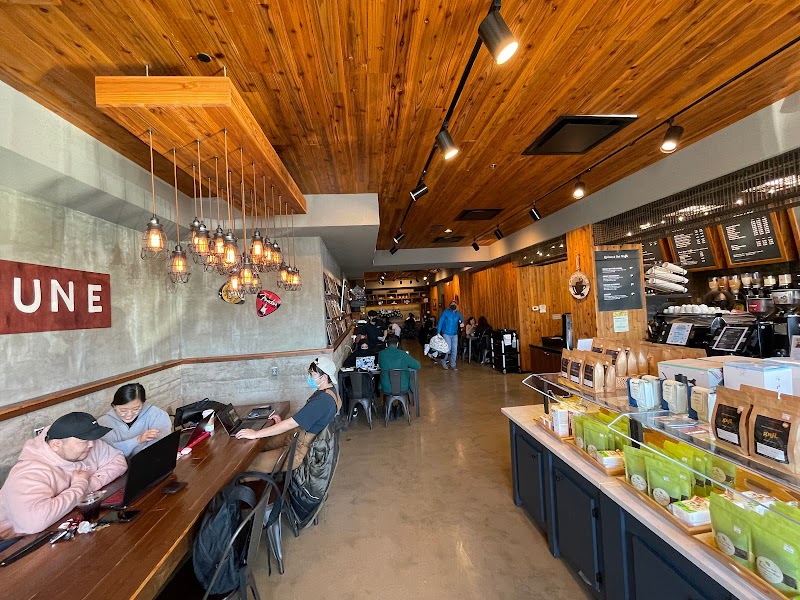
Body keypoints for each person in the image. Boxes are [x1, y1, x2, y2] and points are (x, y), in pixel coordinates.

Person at [0, 412, 127, 537]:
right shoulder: (28, 472)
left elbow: (118, 461)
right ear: (56, 445)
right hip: (21, 541)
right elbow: (33, 523)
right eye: (84, 441)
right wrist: (80, 485)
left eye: (92, 438)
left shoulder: (87, 445)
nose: (92, 444)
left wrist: (89, 484)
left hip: (69, 522)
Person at [237, 357, 341, 472]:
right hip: (296, 437)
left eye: (312, 374)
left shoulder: (322, 400)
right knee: (259, 444)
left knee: (246, 464)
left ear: (324, 377)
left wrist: (255, 433)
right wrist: (280, 424)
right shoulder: (331, 392)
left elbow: (290, 424)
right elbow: (305, 419)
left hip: (297, 451)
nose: (309, 377)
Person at [97, 383, 172, 457]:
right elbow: (108, 454)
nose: (129, 414)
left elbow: (160, 446)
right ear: (114, 406)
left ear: (143, 404)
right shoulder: (104, 423)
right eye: (123, 410)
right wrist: (138, 440)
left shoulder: (156, 415)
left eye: (136, 409)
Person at [437, 300, 464, 370]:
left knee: (454, 350)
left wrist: (462, 323)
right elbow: (440, 321)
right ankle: (443, 361)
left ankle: (453, 364)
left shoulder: (458, 313)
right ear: (449, 305)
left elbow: (461, 320)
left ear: (457, 305)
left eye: (455, 304)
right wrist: (438, 332)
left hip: (454, 333)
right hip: (446, 332)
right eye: (452, 304)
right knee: (448, 349)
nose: (453, 305)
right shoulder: (445, 312)